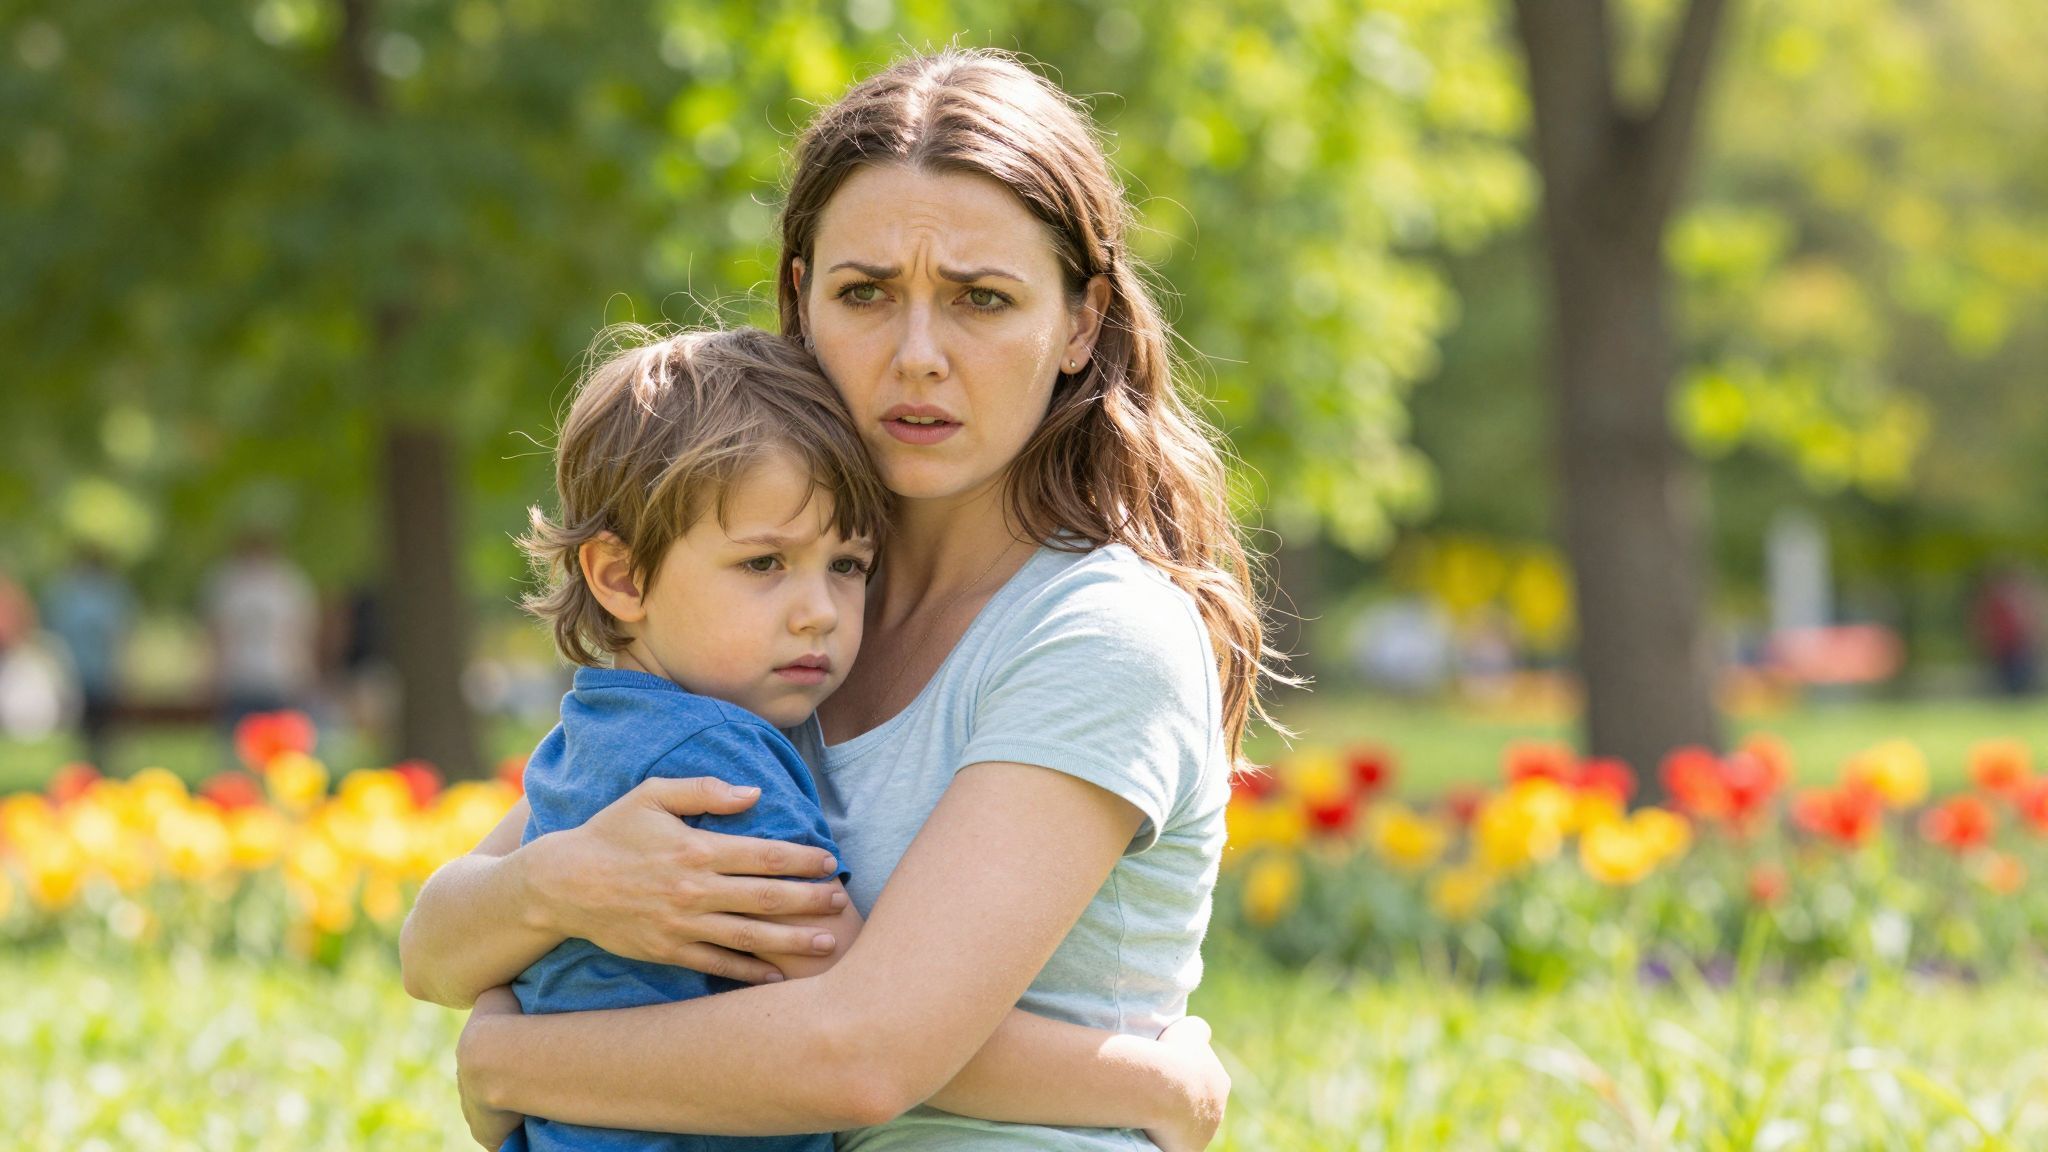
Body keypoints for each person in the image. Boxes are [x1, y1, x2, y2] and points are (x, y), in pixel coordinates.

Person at [402, 47, 1272, 1150]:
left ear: (1078, 323)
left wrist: (509, 1057)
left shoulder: (1097, 633)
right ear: (801, 300)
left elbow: (863, 1051)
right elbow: (434, 944)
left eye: (981, 300)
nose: (917, 356)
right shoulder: (777, 618)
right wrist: (562, 888)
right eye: (866, 294)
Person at [506, 326, 1215, 1152]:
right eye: (765, 565)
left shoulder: (595, 728)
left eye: (848, 565)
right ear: (621, 576)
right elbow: (873, 1009)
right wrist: (1156, 1083)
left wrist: (501, 1054)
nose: (820, 611)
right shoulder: (721, 768)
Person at [204, 526, 318, 730]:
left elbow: (298, 634)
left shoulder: (289, 582)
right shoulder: (226, 582)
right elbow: (218, 634)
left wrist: (302, 673)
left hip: (279, 678)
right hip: (239, 679)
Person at [42, 545, 137, 770]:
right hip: (84, 669)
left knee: (100, 726)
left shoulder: (75, 593)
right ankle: (88, 767)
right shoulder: (93, 593)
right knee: (88, 726)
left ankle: (97, 766)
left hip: (95, 670)